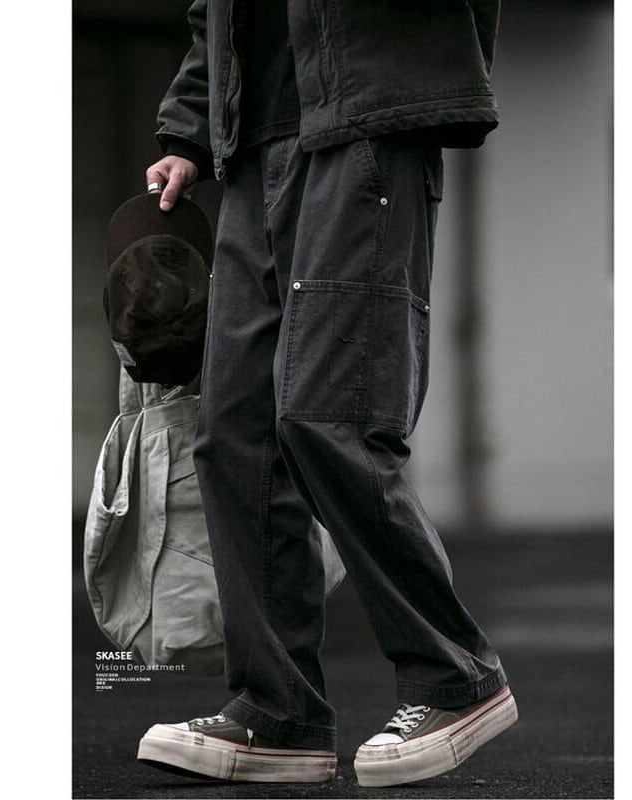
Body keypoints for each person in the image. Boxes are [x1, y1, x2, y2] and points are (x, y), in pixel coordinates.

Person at [136, 0, 517, 787]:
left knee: (328, 415)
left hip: (366, 119)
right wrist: (189, 130)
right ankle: (278, 714)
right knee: (233, 436)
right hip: (251, 146)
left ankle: (455, 676)